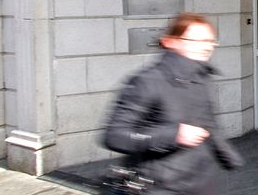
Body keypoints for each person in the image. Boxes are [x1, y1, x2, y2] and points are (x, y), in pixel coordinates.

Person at [103, 12, 243, 195]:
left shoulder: (202, 76)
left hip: (204, 181)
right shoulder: (147, 81)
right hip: (163, 185)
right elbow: (115, 136)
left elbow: (207, 123)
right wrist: (173, 135)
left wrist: (227, 155)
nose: (207, 47)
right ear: (172, 41)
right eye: (197, 41)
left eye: (210, 41)